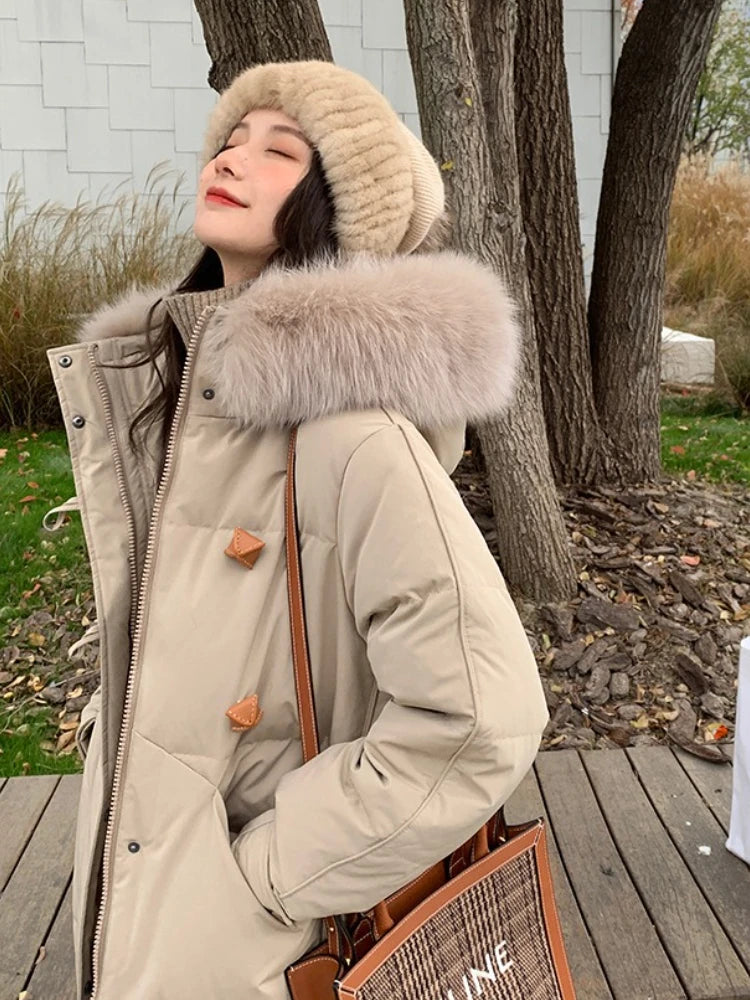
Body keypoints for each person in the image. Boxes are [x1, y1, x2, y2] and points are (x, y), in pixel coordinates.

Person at [45, 59, 549, 1000]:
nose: (232, 157)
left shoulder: (352, 436)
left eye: (280, 151)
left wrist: (264, 877)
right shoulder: (180, 397)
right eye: (230, 139)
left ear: (338, 209)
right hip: (154, 890)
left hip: (247, 944)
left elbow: (483, 716)